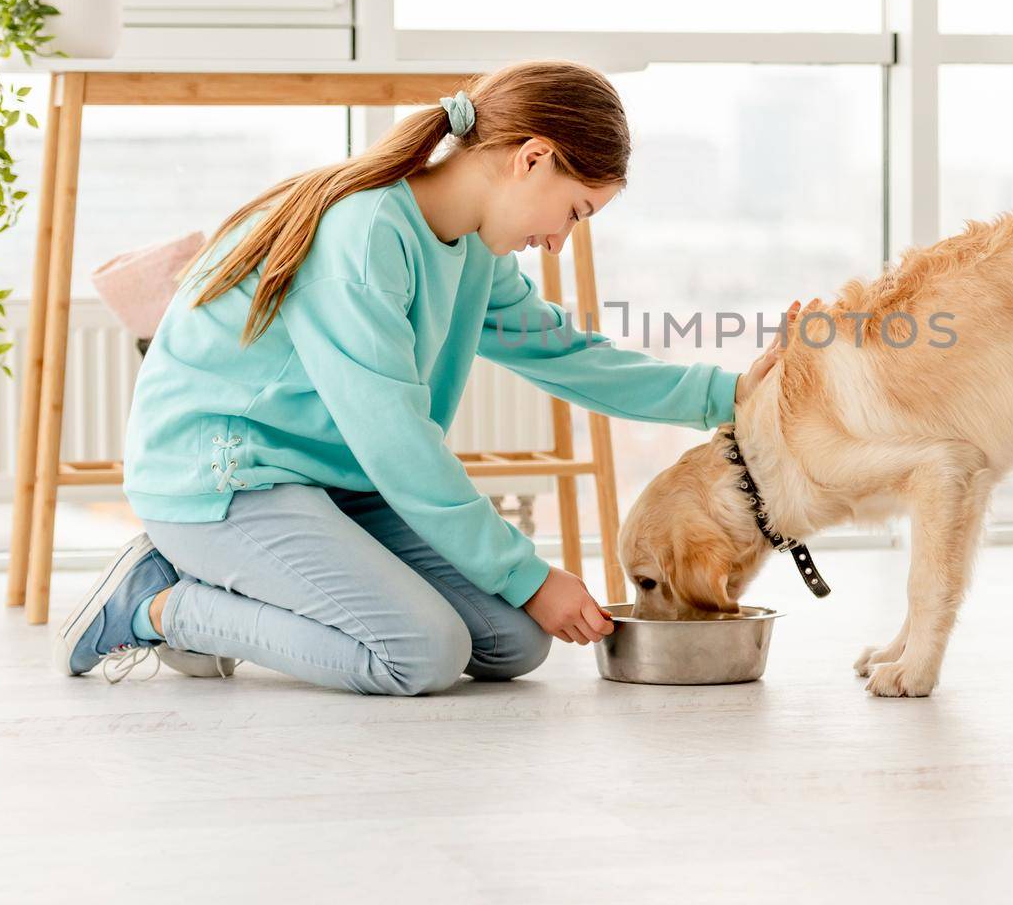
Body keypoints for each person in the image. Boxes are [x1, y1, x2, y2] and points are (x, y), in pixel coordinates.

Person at [53, 59, 786, 694]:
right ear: (532, 158)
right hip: (224, 483)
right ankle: (155, 603)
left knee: (515, 640)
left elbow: (566, 354)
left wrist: (729, 396)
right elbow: (399, 444)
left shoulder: (473, 249)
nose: (559, 242)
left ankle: (237, 592)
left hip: (335, 484)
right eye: (573, 210)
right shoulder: (366, 234)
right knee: (420, 653)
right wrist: (531, 575)